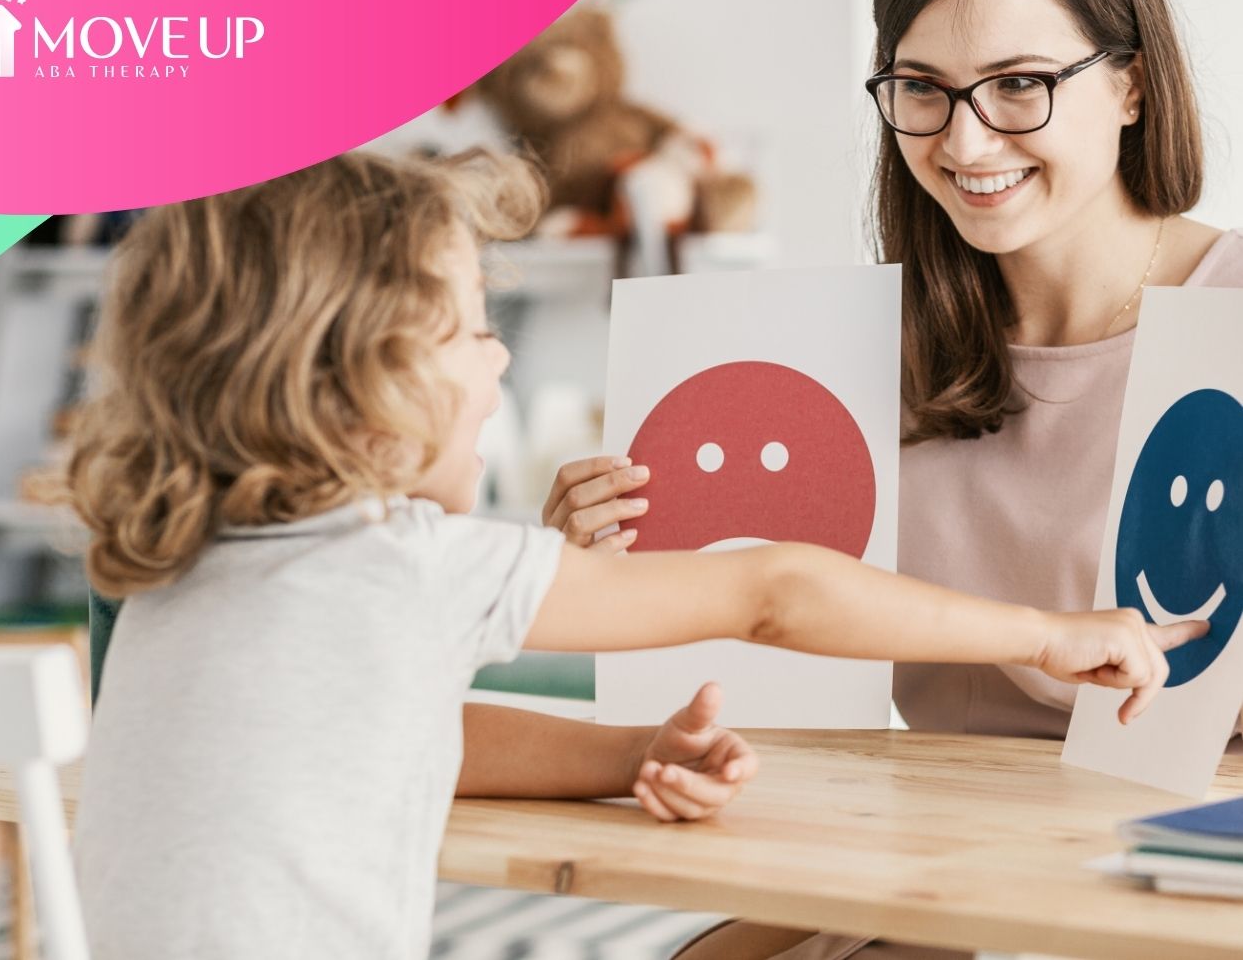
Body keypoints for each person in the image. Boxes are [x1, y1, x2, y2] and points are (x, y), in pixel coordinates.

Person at [66, 150, 1195, 960]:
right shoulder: (405, 563)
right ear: (352, 383)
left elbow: (408, 729)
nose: (500, 356)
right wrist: (1050, 632)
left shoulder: (181, 575)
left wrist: (632, 753)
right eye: (467, 328)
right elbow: (774, 586)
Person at [553, 0, 1243, 959]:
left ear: (1132, 86)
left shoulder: (1225, 319)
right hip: (926, 856)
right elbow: (755, 639)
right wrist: (594, 564)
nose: (964, 144)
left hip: (1162, 871)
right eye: (922, 88)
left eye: (1018, 85)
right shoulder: (846, 356)